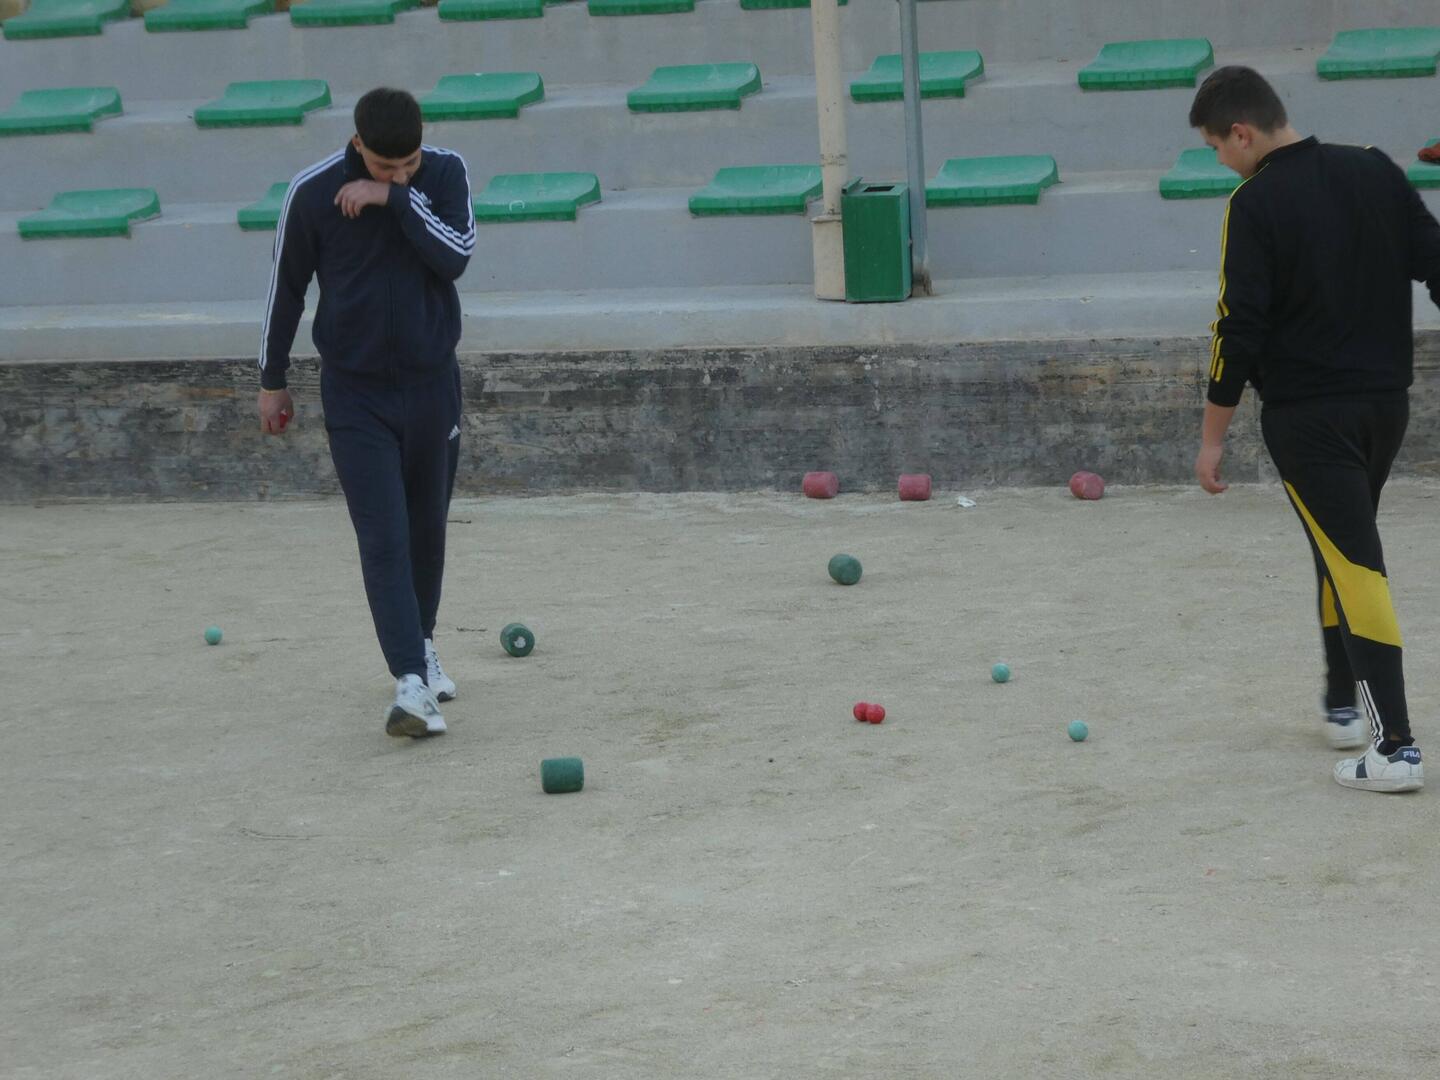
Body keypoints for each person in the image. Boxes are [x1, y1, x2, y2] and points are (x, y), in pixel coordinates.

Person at [1189, 66, 1440, 792]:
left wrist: (1212, 438)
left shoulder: (1254, 201)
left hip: (1308, 419)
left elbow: (1236, 328)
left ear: (1242, 132)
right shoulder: (1376, 170)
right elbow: (1436, 262)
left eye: (1214, 146)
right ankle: (1342, 704)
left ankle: (1394, 748)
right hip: (1385, 407)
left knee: (1356, 561)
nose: (1219, 160)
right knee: (1340, 547)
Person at [256, 87, 475, 739]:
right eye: (385, 167)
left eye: (408, 162)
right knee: (383, 536)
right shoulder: (313, 192)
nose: (401, 172)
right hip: (355, 394)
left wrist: (398, 197)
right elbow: (285, 289)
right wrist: (272, 380)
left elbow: (457, 254)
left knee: (426, 528)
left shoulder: (444, 172)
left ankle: (424, 643)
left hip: (432, 384)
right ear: (357, 146)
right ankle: (410, 681)